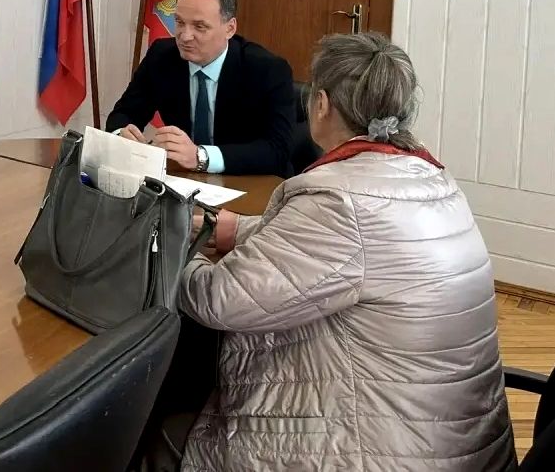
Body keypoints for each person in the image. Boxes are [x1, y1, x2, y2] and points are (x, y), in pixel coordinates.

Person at [177, 33, 514, 471]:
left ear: (320, 104)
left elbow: (219, 299)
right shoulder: (427, 177)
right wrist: (237, 229)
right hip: (453, 438)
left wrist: (178, 247)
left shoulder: (337, 199)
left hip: (377, 447)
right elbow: (357, 246)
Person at [106, 0, 297, 177]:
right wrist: (122, 137)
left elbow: (278, 150)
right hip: (185, 179)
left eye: (199, 26)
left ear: (230, 28)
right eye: (180, 22)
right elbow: (124, 114)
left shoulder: (267, 69)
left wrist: (201, 156)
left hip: (251, 181)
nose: (185, 36)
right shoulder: (162, 56)